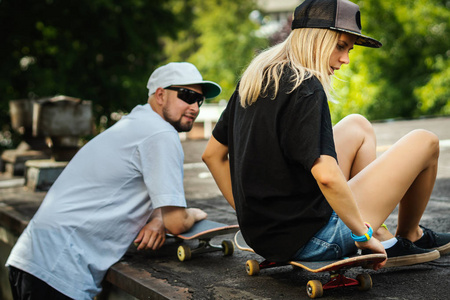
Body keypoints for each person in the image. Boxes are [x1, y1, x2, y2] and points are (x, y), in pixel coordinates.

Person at [202, 0, 450, 271]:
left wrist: (249, 216)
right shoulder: (306, 85)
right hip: (314, 239)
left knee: (358, 125)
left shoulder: (255, 77)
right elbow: (327, 176)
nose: (345, 59)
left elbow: (212, 155)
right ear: (316, 39)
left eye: (349, 49)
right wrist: (362, 237)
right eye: (340, 46)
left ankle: (380, 232)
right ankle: (407, 234)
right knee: (425, 141)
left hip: (263, 235)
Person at [6, 62, 222, 300]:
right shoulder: (160, 134)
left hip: (36, 261)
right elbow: (178, 223)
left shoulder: (136, 123)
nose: (194, 107)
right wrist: (193, 213)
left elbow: (146, 200)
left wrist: (159, 218)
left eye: (199, 101)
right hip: (57, 272)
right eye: (187, 95)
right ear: (160, 95)